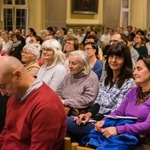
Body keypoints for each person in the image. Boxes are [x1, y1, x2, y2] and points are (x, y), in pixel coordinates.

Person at [67, 42, 135, 142]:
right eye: (111, 56)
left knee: (63, 122)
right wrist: (88, 114)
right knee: (65, 133)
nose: (113, 60)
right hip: (96, 119)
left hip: (109, 124)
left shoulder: (129, 82)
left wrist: (98, 119)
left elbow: (118, 111)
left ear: (126, 61)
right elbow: (98, 102)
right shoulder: (107, 78)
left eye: (118, 57)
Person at [0, 56, 66, 149]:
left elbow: (40, 147)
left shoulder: (46, 106)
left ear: (18, 76)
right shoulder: (14, 96)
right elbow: (6, 132)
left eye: (3, 86)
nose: (2, 93)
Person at [91, 55, 150, 150]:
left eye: (139, 69)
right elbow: (119, 112)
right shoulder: (134, 91)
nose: (134, 73)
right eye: (134, 69)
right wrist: (104, 121)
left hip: (145, 139)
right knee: (94, 137)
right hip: (127, 133)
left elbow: (147, 125)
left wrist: (118, 130)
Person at [57, 50, 99, 116]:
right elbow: (59, 91)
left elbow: (88, 100)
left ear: (84, 65)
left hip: (78, 113)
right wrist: (59, 100)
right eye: (69, 62)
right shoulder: (68, 75)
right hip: (61, 107)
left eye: (74, 63)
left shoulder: (91, 78)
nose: (70, 66)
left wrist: (66, 102)